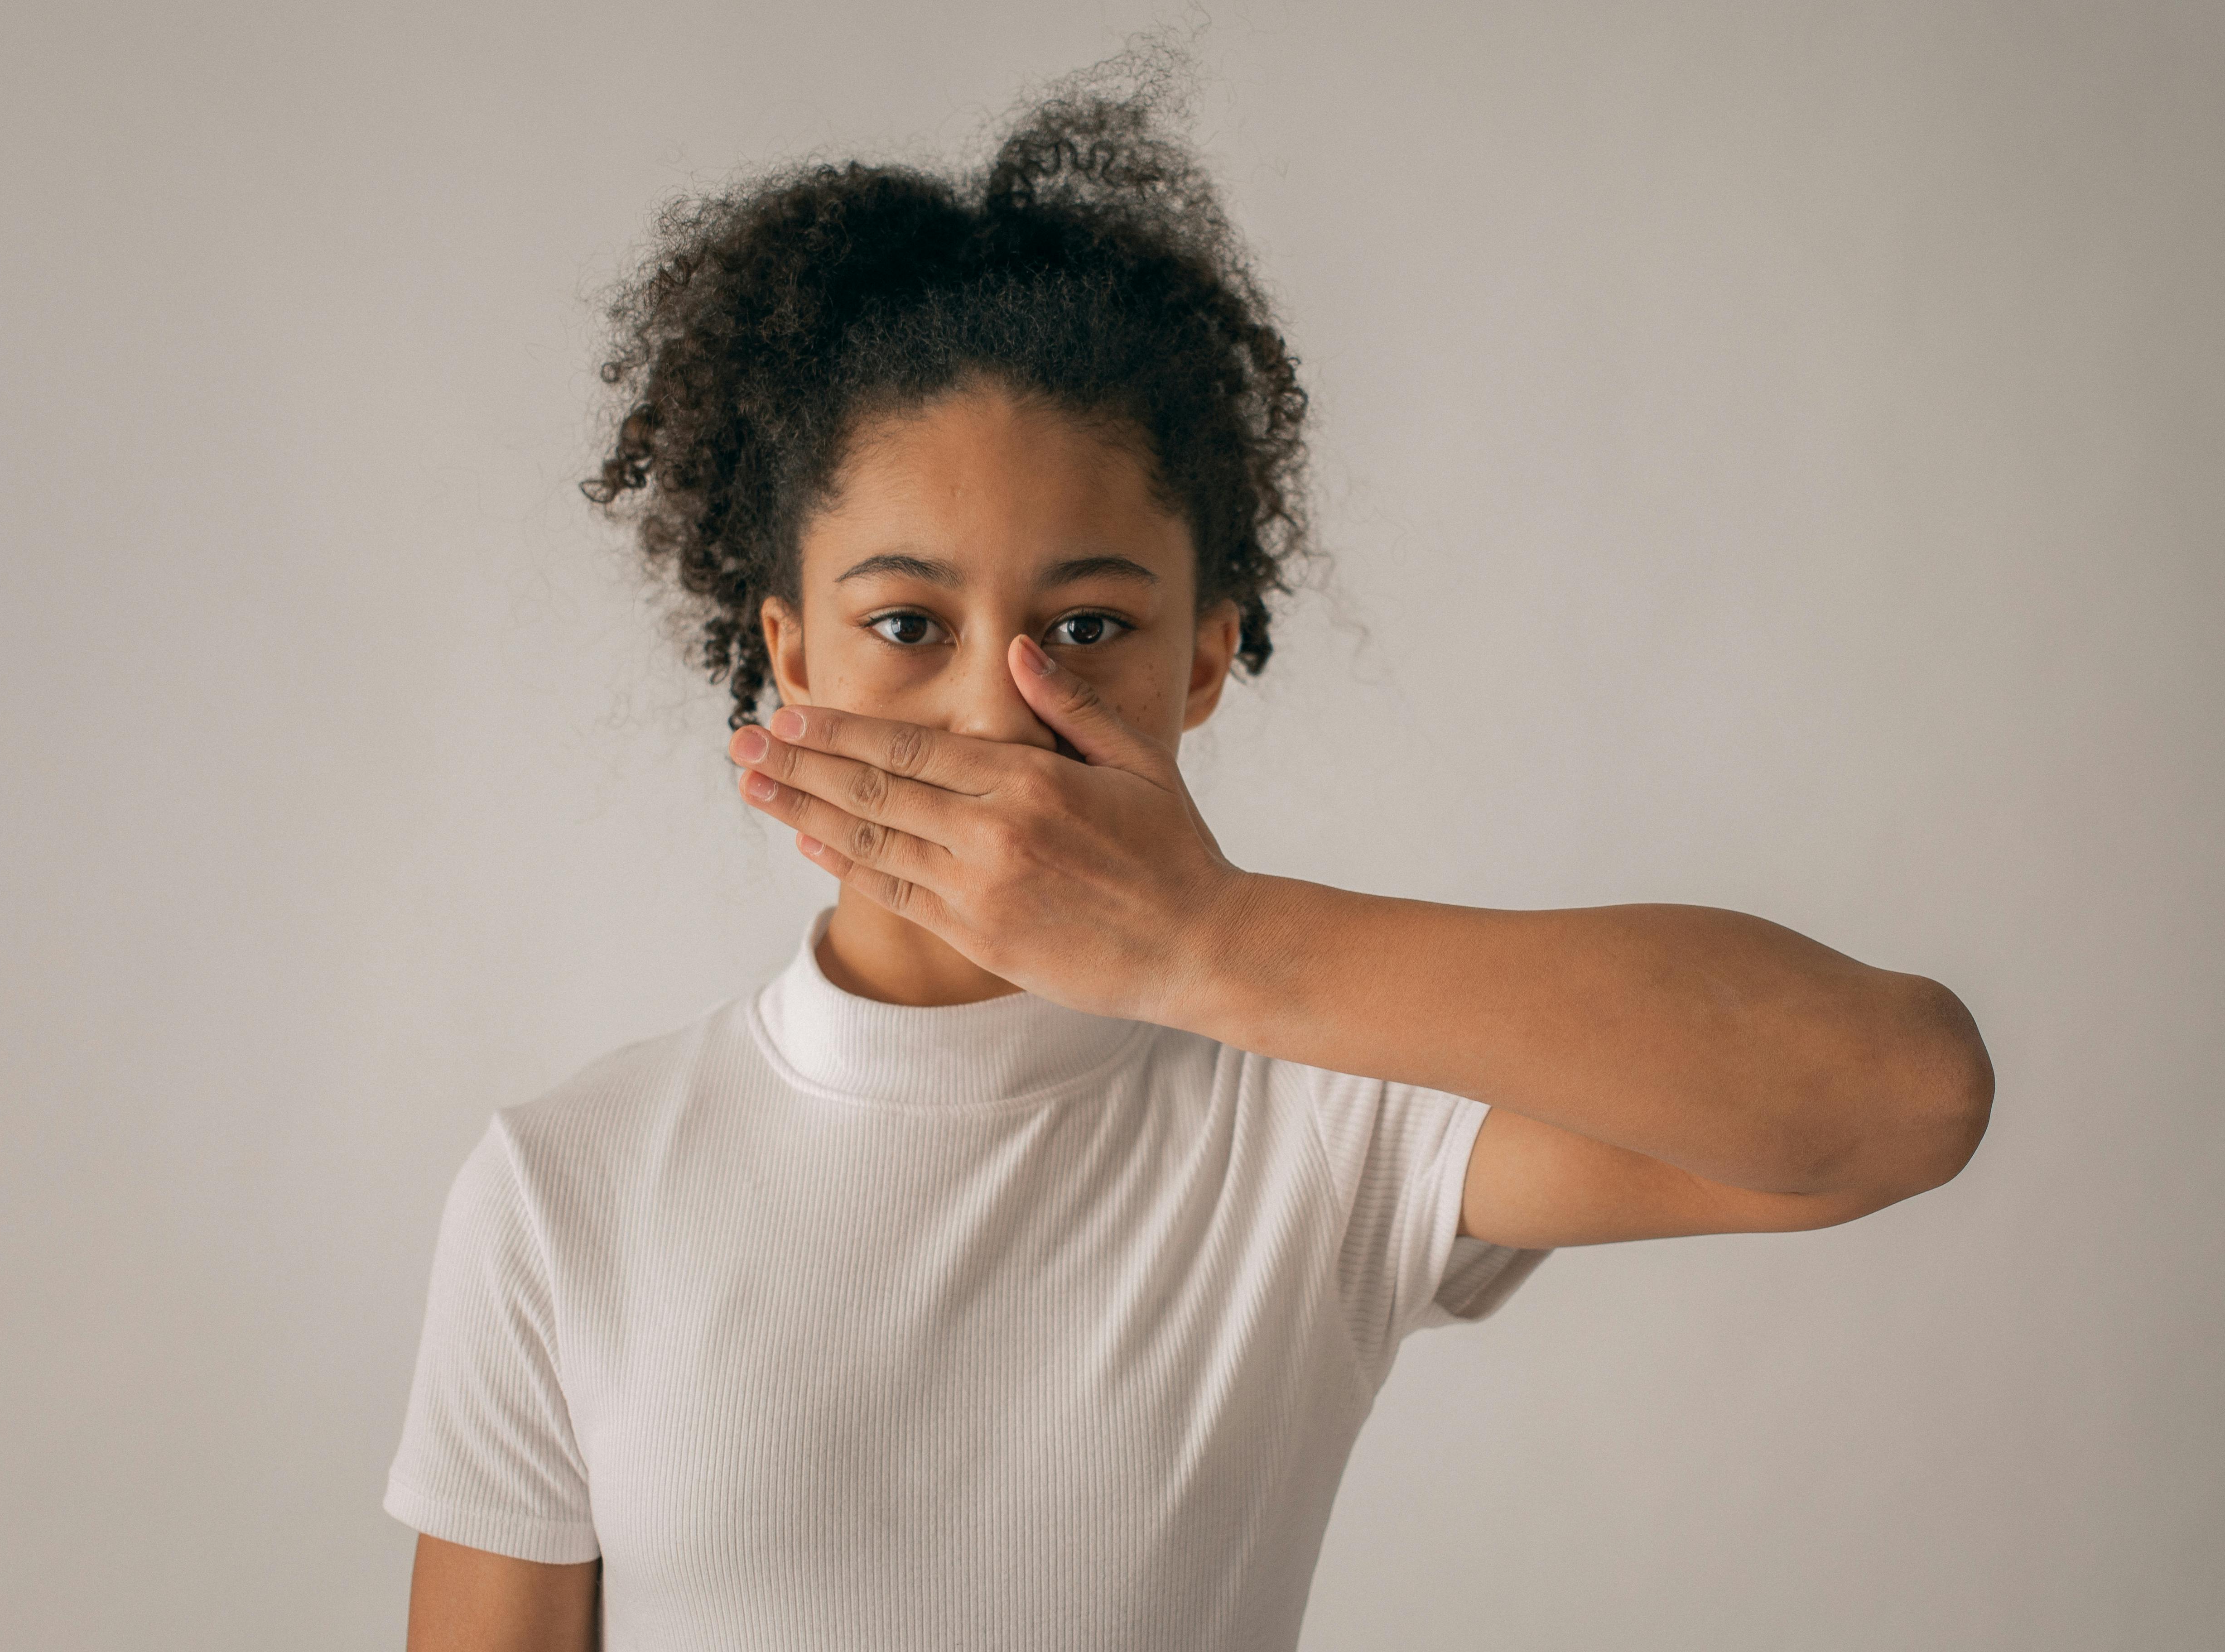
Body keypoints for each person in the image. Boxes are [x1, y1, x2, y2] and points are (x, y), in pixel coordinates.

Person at [384, 66, 1994, 1652]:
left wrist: (1202, 943)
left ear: (1205, 662)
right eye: (904, 626)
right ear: (787, 655)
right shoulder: (569, 1188)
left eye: (1088, 627)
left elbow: (1902, 1095)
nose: (998, 712)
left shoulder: (1320, 1113)